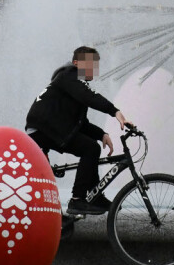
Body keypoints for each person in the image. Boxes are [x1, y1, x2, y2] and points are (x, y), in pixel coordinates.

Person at [25, 46, 128, 215]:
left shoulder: (76, 86)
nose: (92, 68)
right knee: (90, 148)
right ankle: (77, 200)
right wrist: (114, 111)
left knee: (92, 146)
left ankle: (95, 196)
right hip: (42, 130)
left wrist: (101, 134)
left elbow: (81, 124)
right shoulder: (69, 75)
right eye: (89, 64)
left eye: (95, 65)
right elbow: (90, 97)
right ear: (76, 63)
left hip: (50, 129)